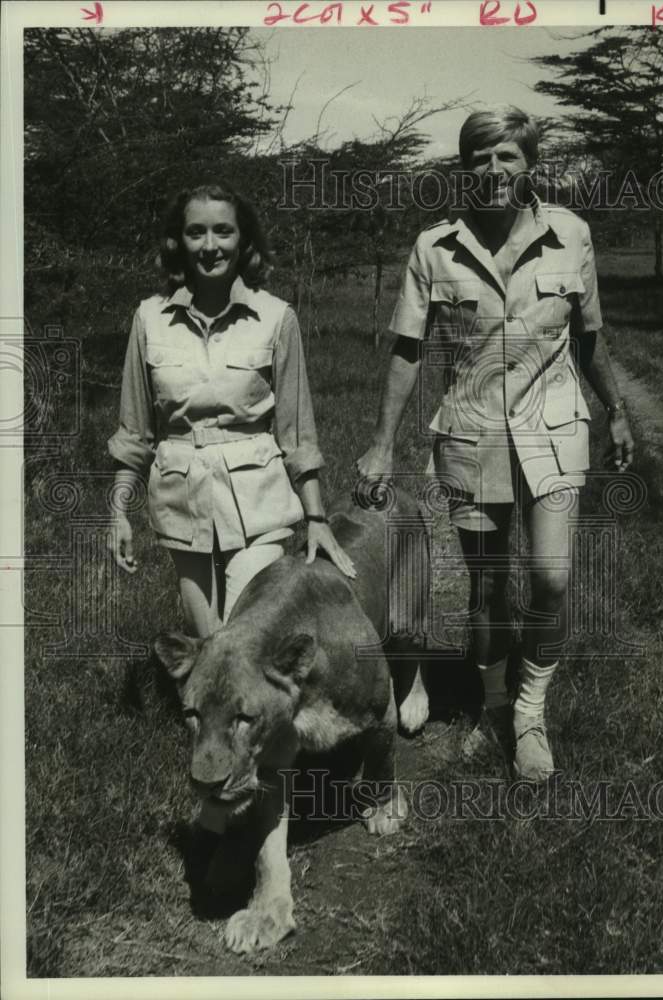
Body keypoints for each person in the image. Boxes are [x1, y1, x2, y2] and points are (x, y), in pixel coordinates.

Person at [356, 108, 634, 782]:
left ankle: (530, 712)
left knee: (549, 577)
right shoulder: (434, 248)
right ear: (465, 167)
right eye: (481, 157)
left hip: (555, 430)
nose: (495, 170)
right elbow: (407, 351)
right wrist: (380, 444)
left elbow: (590, 336)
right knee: (485, 589)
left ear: (529, 163)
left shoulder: (571, 235)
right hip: (471, 433)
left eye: (508, 156)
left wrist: (617, 411)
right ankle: (490, 706)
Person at [108, 182, 355, 639]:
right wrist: (118, 512)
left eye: (222, 231)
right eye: (195, 232)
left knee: (246, 634)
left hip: (259, 496)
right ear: (178, 242)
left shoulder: (276, 317)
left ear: (243, 241)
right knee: (205, 639)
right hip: (182, 498)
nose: (209, 246)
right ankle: (203, 710)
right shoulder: (149, 318)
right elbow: (135, 433)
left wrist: (317, 519)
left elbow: (297, 433)